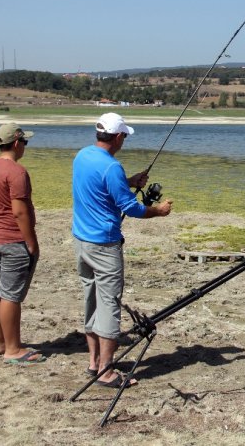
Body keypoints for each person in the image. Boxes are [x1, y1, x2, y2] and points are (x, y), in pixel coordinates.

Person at [72, 112, 173, 388]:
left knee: (91, 300)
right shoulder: (111, 167)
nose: (124, 140)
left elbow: (100, 186)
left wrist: (130, 182)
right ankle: (106, 371)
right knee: (108, 305)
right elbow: (133, 208)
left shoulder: (82, 156)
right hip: (104, 246)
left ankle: (93, 363)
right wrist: (159, 211)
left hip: (81, 242)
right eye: (124, 136)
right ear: (117, 137)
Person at [0, 122, 45, 364]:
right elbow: (20, 212)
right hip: (12, 241)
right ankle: (13, 349)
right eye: (25, 142)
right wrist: (31, 242)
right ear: (17, 143)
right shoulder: (16, 172)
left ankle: (0, 343)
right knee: (11, 296)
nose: (25, 147)